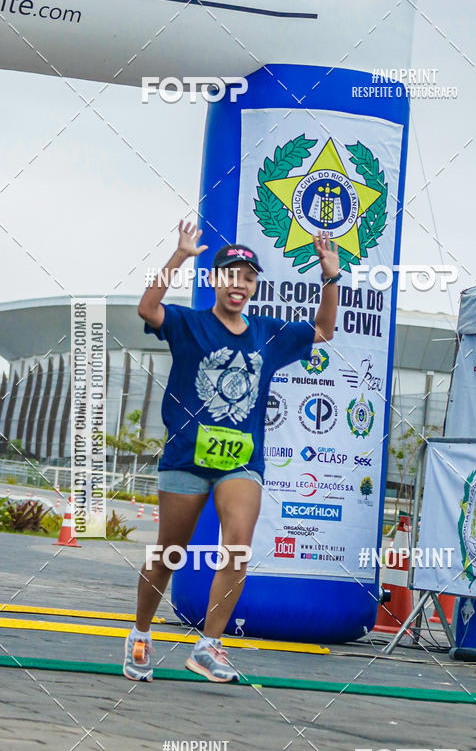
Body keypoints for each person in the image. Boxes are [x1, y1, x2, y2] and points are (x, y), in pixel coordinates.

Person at [123, 220, 341, 683]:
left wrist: (330, 275)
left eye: (247, 278)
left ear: (254, 286)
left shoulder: (267, 333)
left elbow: (324, 330)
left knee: (237, 546)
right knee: (168, 554)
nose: (238, 285)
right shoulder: (190, 324)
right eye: (230, 275)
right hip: (186, 456)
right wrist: (180, 255)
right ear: (216, 281)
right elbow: (147, 306)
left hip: (242, 461)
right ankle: (139, 634)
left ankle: (209, 645)